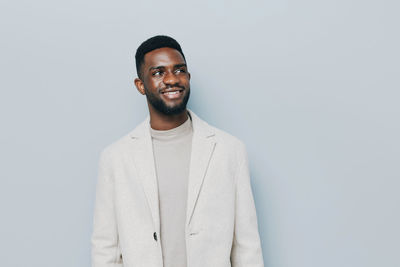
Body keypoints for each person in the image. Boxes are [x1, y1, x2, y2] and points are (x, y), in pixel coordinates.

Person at [91, 35, 264, 267]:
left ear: (188, 77)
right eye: (158, 73)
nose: (171, 79)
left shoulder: (229, 151)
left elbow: (247, 247)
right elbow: (106, 250)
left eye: (179, 70)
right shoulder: (115, 158)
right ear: (140, 85)